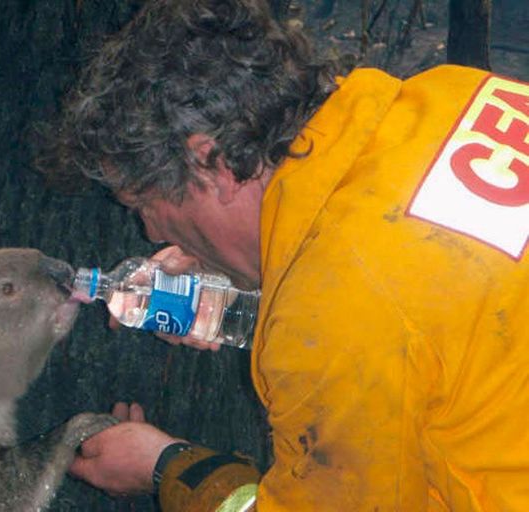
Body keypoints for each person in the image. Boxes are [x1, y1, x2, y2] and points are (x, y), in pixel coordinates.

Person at [42, 0, 529, 509]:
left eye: (142, 204)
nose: (149, 230)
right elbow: (432, 314)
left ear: (209, 162)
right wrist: (259, 286)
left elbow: (362, 319)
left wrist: (170, 466)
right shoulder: (452, 95)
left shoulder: (334, 315)